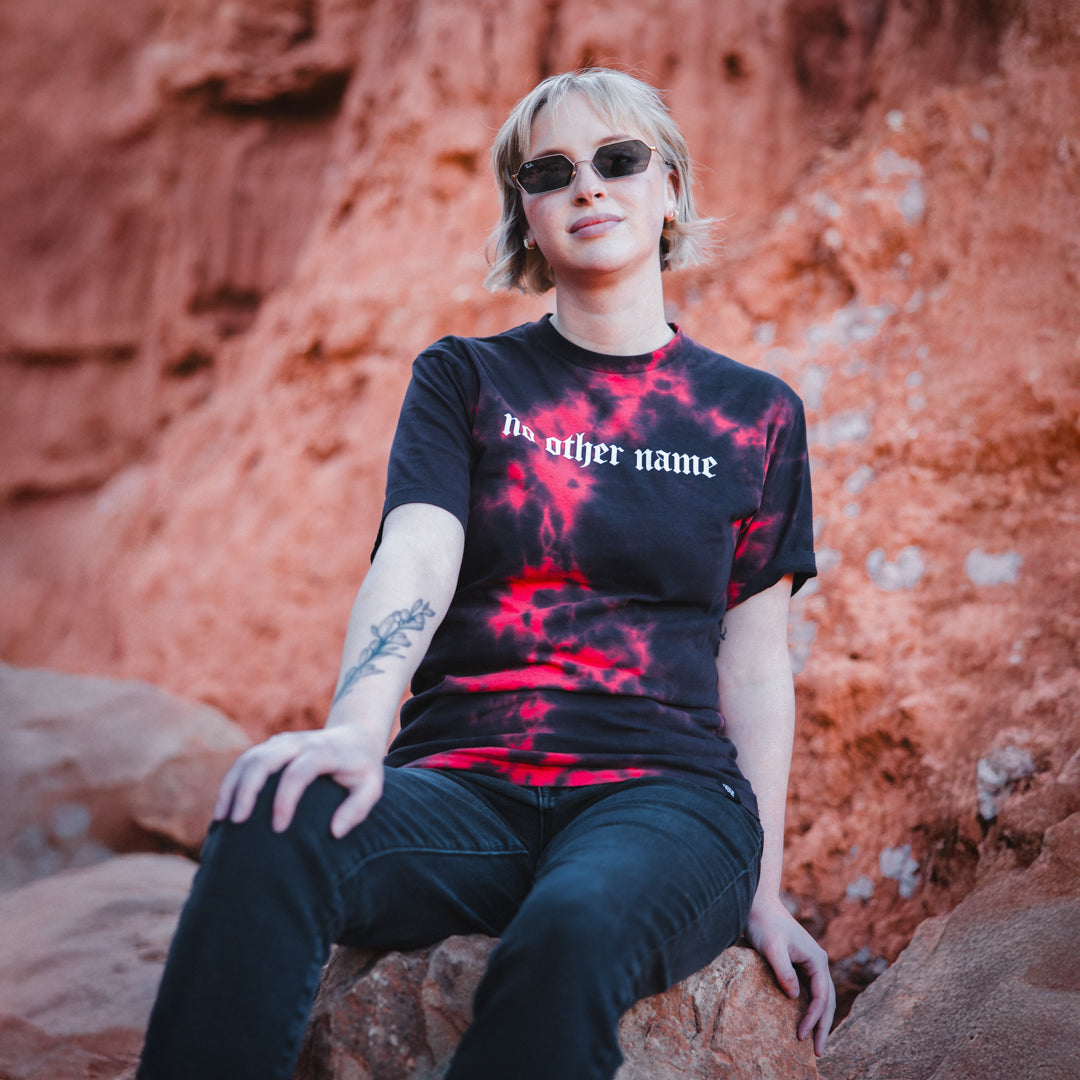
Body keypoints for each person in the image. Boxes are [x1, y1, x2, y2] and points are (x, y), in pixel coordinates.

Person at [138, 67, 835, 1080]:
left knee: (572, 931)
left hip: (665, 799)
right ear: (527, 212)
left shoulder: (755, 413)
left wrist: (763, 888)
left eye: (618, 160)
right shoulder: (467, 379)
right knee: (271, 817)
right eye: (551, 172)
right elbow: (416, 552)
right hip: (469, 788)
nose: (587, 187)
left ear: (671, 187)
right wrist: (356, 729)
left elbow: (757, 663)